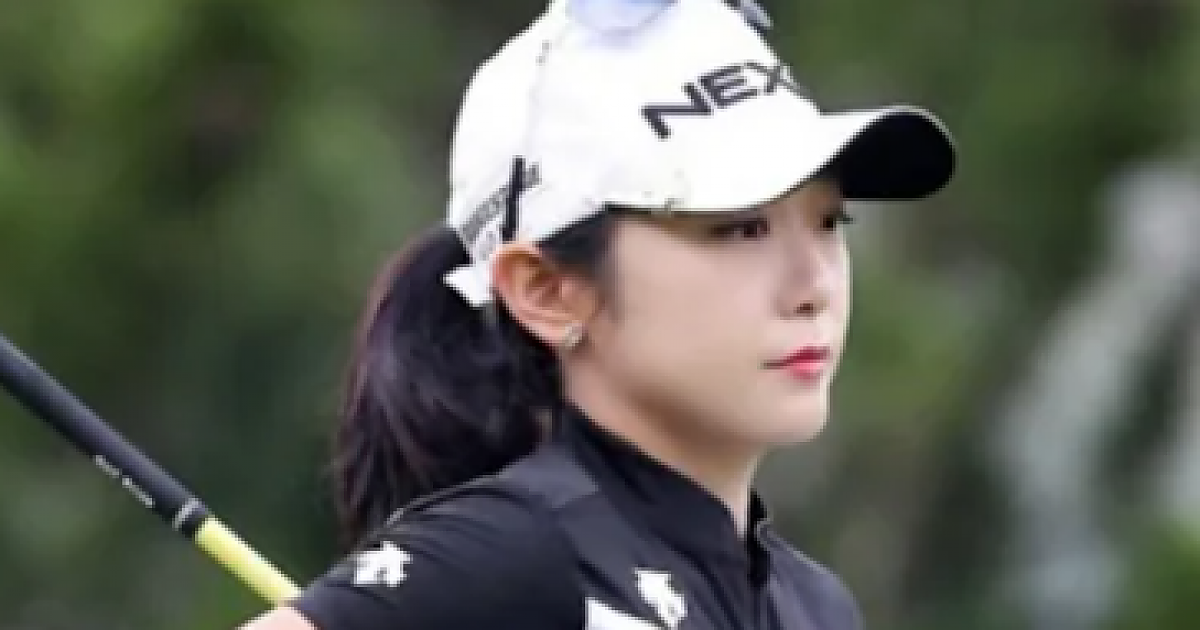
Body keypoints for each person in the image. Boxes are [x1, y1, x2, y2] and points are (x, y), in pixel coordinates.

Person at [239, 0, 955, 627]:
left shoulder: (816, 606)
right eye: (740, 228)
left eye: (830, 223)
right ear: (546, 291)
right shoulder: (509, 554)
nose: (813, 286)